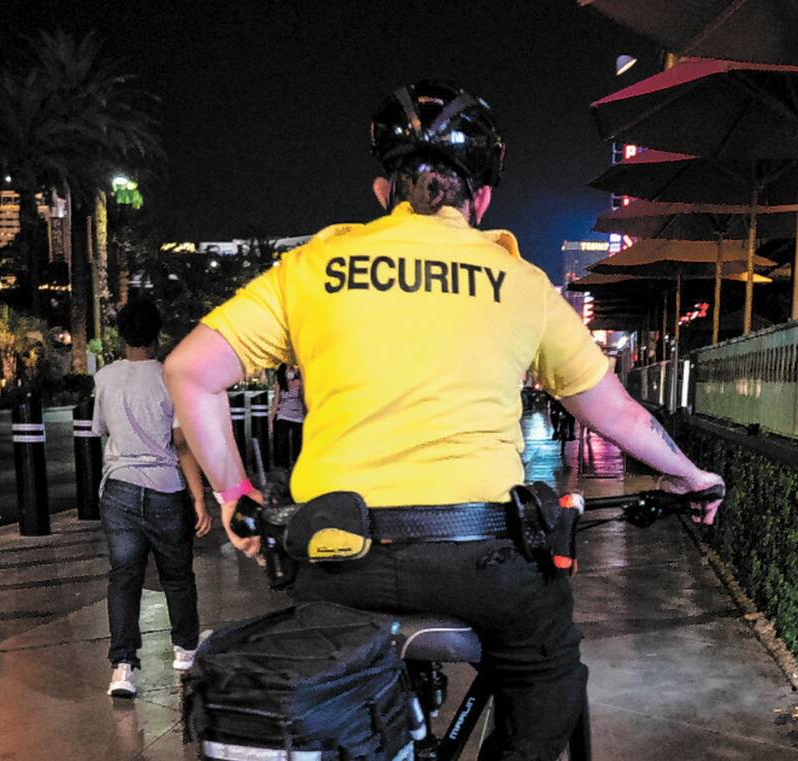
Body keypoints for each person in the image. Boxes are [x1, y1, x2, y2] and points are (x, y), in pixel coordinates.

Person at [164, 81, 724, 761]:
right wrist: (690, 475)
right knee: (550, 670)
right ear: (481, 199)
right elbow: (617, 413)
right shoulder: (519, 282)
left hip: (339, 558)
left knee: (333, 687)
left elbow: (189, 370)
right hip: (480, 560)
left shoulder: (314, 265)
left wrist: (234, 494)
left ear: (383, 192)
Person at [92, 299, 212, 699]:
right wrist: (199, 498)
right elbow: (181, 446)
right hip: (164, 489)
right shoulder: (169, 377)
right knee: (177, 576)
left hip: (119, 490)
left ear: (122, 335)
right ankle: (185, 653)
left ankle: (122, 669)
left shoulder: (105, 378)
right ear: (156, 335)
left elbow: (103, 429)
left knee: (124, 579)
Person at [271, 364, 305, 469]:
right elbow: (276, 403)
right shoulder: (280, 385)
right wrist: (271, 420)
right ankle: (285, 466)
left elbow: (304, 399)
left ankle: (297, 464)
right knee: (283, 441)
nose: (291, 372)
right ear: (284, 373)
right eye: (288, 370)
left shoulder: (300, 383)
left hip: (298, 416)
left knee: (297, 442)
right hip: (283, 415)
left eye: (292, 370)